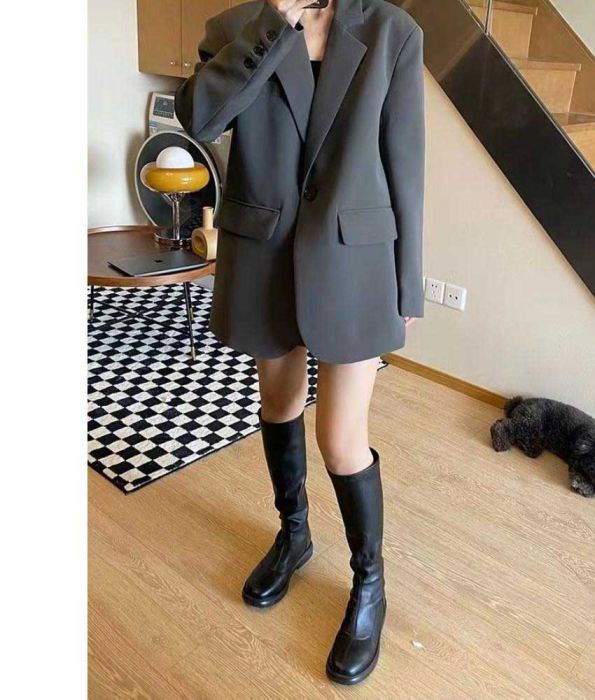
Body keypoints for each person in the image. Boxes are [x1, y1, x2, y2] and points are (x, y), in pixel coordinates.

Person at [175, 0, 424, 684]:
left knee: (341, 439)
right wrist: (271, 24)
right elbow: (201, 119)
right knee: (279, 407)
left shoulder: (392, 33)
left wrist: (408, 286)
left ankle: (369, 582)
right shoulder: (235, 29)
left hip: (355, 262)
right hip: (264, 255)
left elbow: (406, 162)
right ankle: (294, 534)